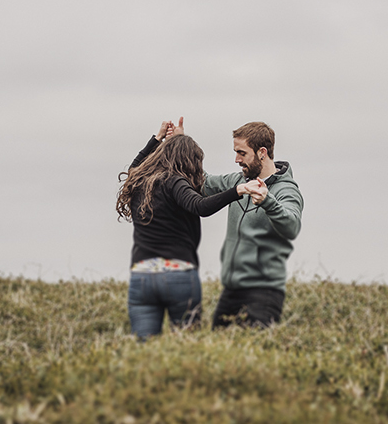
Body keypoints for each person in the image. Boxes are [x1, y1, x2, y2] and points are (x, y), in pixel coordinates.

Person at [117, 121, 267, 341]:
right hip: (178, 274)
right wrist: (238, 190)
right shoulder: (176, 182)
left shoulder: (139, 181)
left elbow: (133, 168)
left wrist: (157, 139)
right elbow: (200, 206)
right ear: (189, 161)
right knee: (185, 346)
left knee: (143, 349)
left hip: (143, 276)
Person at [163, 119, 304, 329]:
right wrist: (178, 143)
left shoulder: (286, 190)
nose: (236, 159)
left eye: (242, 153)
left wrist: (268, 202)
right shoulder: (237, 181)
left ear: (262, 152)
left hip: (264, 293)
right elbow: (200, 181)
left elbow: (291, 226)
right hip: (231, 291)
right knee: (219, 356)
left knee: (256, 356)